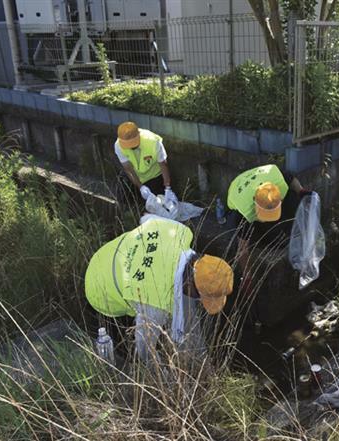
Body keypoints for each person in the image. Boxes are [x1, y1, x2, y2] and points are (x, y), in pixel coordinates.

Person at [85, 216, 234, 362]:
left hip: (107, 252)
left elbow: (146, 219)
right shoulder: (156, 301)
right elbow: (144, 348)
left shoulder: (180, 231)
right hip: (100, 289)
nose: (199, 301)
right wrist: (161, 371)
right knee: (122, 335)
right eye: (199, 297)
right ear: (189, 284)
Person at [226, 164, 314, 321]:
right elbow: (243, 251)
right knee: (272, 239)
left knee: (294, 202)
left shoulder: (276, 178)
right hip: (240, 194)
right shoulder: (244, 213)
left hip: (260, 185)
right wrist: (247, 276)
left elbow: (290, 177)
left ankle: (277, 221)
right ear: (255, 206)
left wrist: (301, 191)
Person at [115, 121, 177, 204]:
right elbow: (128, 169)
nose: (130, 147)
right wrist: (140, 187)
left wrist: (168, 187)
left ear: (139, 136)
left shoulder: (153, 141)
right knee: (122, 192)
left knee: (160, 203)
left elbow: (163, 164)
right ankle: (129, 212)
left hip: (154, 176)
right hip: (137, 178)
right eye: (127, 144)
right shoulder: (118, 146)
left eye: (132, 143)